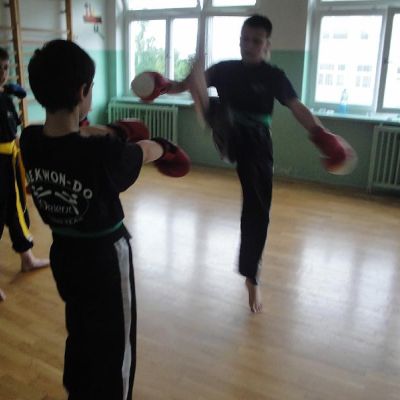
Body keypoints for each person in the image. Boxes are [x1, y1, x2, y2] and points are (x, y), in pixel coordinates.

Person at [133, 14, 356, 313]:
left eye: (256, 41)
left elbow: (297, 106)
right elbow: (184, 85)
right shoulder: (224, 69)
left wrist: (320, 134)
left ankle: (252, 276)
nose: (248, 46)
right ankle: (206, 104)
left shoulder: (274, 76)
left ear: (267, 45)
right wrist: (162, 86)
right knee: (208, 93)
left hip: (256, 143)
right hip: (226, 130)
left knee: (258, 209)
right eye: (244, 39)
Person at [19, 39, 190, 399]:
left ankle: (78, 391)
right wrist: (165, 146)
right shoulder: (103, 154)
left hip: (65, 253)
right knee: (115, 344)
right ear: (84, 91)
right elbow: (141, 152)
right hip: (105, 259)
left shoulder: (30, 140)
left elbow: (74, 136)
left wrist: (114, 131)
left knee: (80, 328)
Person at [0, 47, 49, 302]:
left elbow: (13, 132)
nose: (2, 73)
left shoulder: (7, 98)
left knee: (16, 210)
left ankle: (26, 258)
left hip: (11, 161)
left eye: (5, 68)